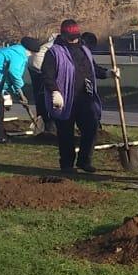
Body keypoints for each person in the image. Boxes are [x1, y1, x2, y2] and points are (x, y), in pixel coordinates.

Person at [41, 19, 108, 175]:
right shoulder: (54, 52)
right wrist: (55, 91)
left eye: (76, 36)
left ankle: (85, 160)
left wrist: (107, 73)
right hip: (64, 98)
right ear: (63, 34)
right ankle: (67, 164)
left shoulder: (84, 49)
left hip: (85, 96)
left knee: (91, 127)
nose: (74, 39)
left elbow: (93, 68)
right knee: (66, 133)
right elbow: (47, 75)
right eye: (71, 36)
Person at [0, 38, 32, 143]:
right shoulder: (18, 55)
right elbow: (14, 73)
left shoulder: (14, 51)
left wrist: (16, 92)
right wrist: (20, 90)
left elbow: (10, 76)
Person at [25, 35, 56, 136]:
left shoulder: (54, 41)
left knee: (40, 96)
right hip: (39, 65)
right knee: (44, 95)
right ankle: (47, 127)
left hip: (34, 64)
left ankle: (43, 125)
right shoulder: (60, 43)